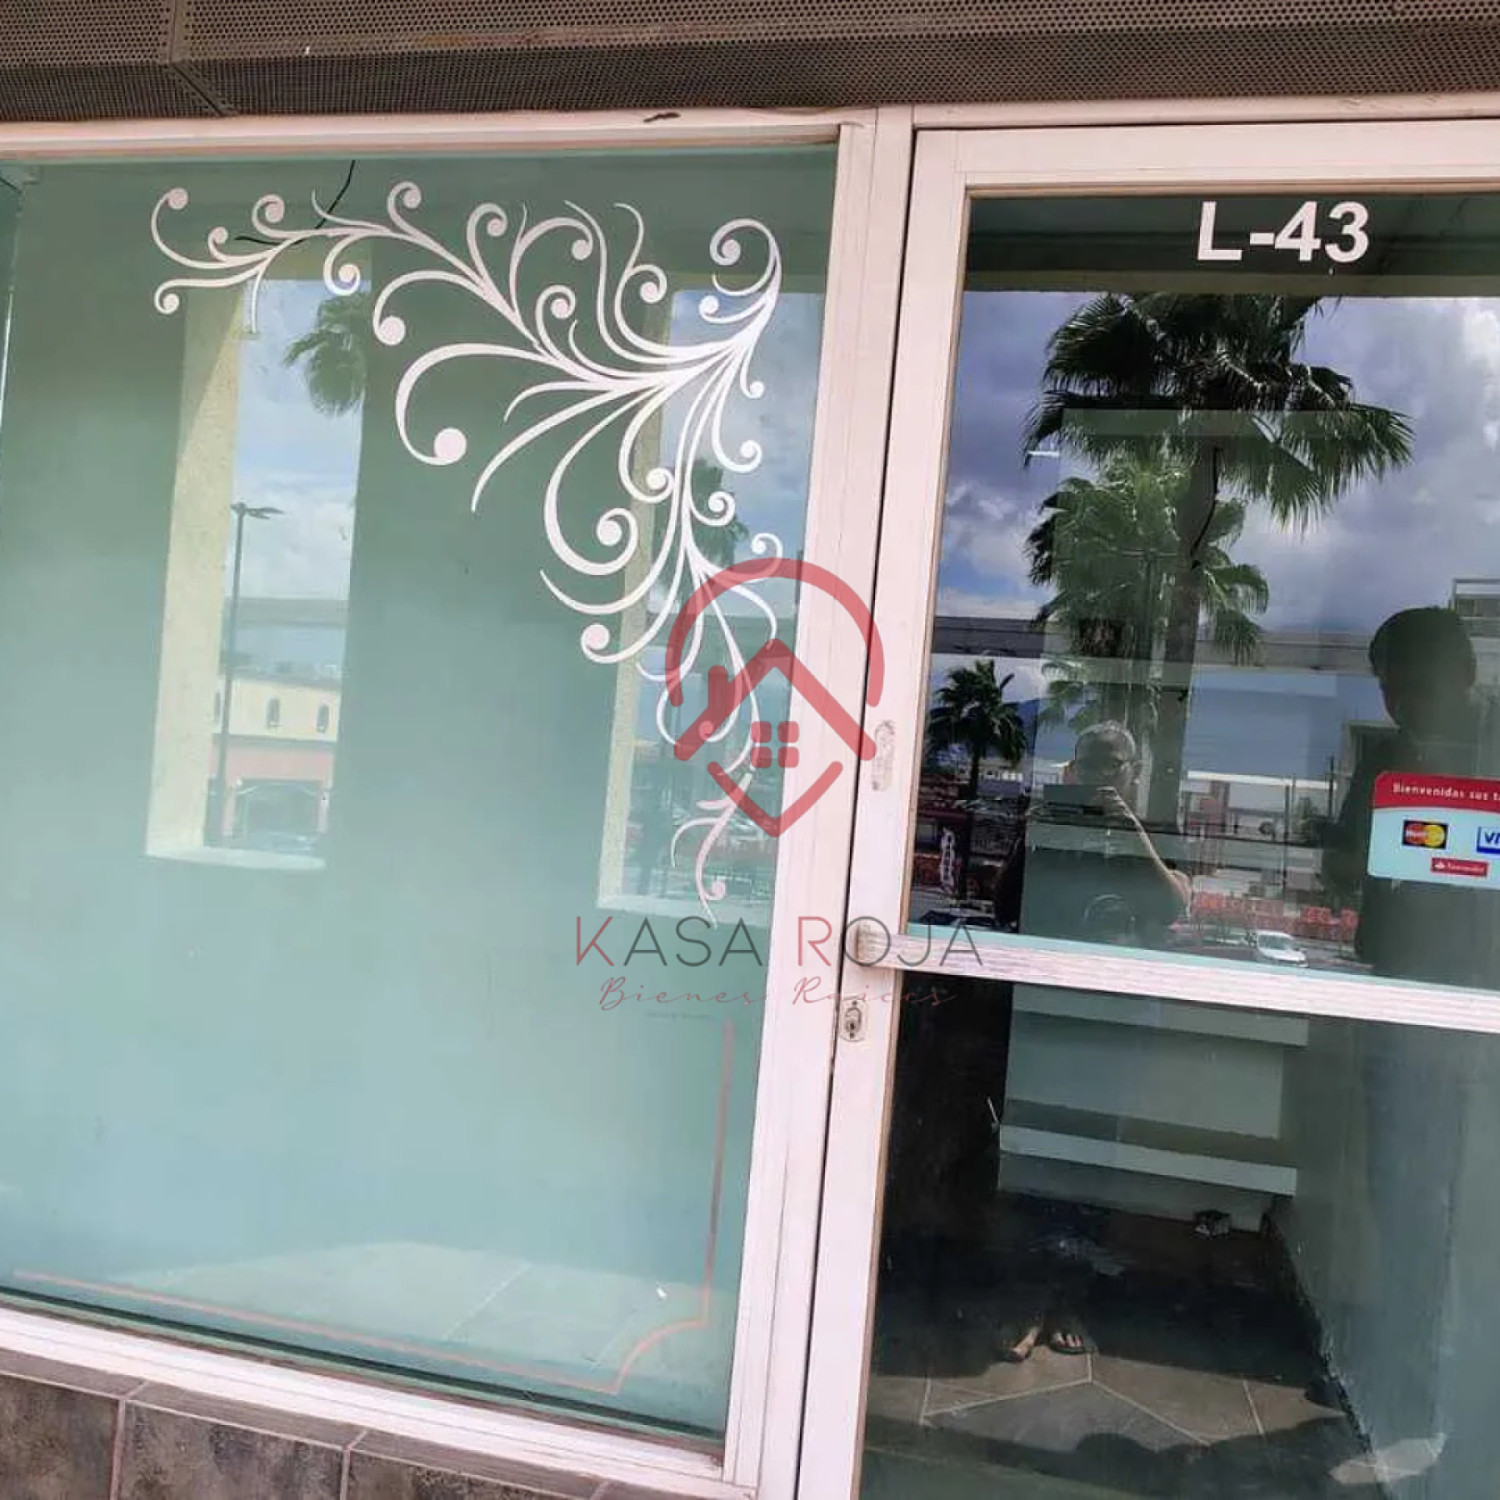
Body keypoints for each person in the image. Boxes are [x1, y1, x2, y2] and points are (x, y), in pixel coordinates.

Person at [1325, 606, 1499, 986]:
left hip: (1484, 976)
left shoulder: (1492, 752)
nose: (1403, 705)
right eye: (1390, 690)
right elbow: (1340, 865)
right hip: (1394, 968)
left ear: (1466, 673)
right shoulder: (1383, 762)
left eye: (1421, 687)